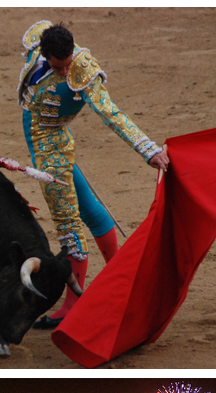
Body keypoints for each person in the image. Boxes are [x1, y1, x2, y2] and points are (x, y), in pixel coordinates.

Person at [18, 21, 169, 328]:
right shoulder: (38, 42)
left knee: (69, 226)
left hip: (53, 152)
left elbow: (111, 113)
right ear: (45, 54)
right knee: (88, 208)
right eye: (58, 67)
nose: (65, 72)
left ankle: (73, 306)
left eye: (68, 64)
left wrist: (147, 149)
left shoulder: (83, 71)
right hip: (46, 146)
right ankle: (121, 279)